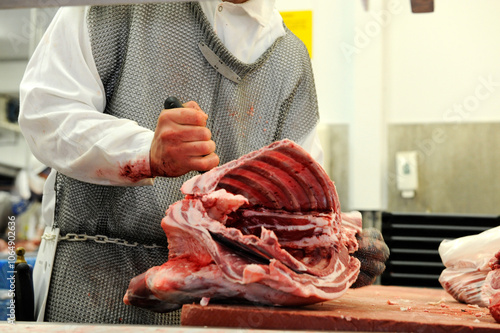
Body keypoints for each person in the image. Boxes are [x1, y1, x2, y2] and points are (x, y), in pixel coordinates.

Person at [19, 0, 388, 325]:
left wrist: (332, 247)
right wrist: (143, 152)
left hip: (223, 311)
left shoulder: (289, 58)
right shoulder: (116, 6)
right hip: (92, 294)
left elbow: (300, 200)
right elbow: (45, 113)